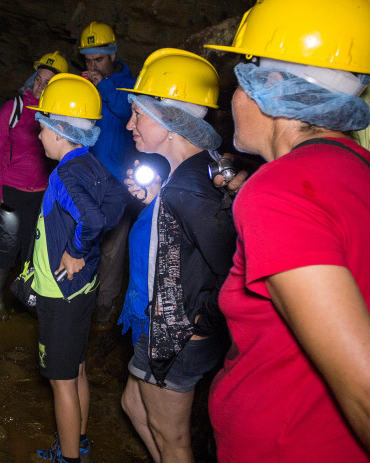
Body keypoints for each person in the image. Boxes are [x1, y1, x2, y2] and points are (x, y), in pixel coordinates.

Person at [204, 0, 370, 460]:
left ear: (270, 83)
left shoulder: (278, 192)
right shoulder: (357, 169)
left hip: (291, 445)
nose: (231, 98)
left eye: (240, 80)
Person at [115, 48, 236, 462]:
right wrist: (155, 201)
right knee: (133, 405)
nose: (129, 124)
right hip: (165, 327)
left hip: (175, 335)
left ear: (169, 122)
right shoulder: (196, 170)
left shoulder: (188, 189)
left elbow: (232, 265)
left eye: (138, 114)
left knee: (173, 441)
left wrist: (198, 319)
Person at [28, 73, 131, 463]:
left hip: (61, 291)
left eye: (42, 127)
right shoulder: (90, 162)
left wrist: (75, 249)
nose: (38, 136)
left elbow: (90, 219)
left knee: (61, 381)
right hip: (83, 288)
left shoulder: (65, 173)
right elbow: (119, 198)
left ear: (59, 130)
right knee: (77, 369)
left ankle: (69, 458)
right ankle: (79, 442)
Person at [0, 51, 68, 321]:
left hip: (41, 194)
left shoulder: (58, 115)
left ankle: (25, 296)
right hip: (10, 190)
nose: (41, 85)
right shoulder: (14, 109)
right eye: (39, 79)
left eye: (49, 82)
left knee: (32, 249)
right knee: (8, 244)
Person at [78, 21, 140, 329]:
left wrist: (101, 84)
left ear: (112, 54)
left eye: (98, 59)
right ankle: (80, 296)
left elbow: (128, 112)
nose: (92, 66)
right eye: (88, 60)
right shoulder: (88, 82)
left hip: (119, 181)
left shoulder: (130, 83)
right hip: (89, 177)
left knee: (113, 248)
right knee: (85, 238)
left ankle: (104, 304)